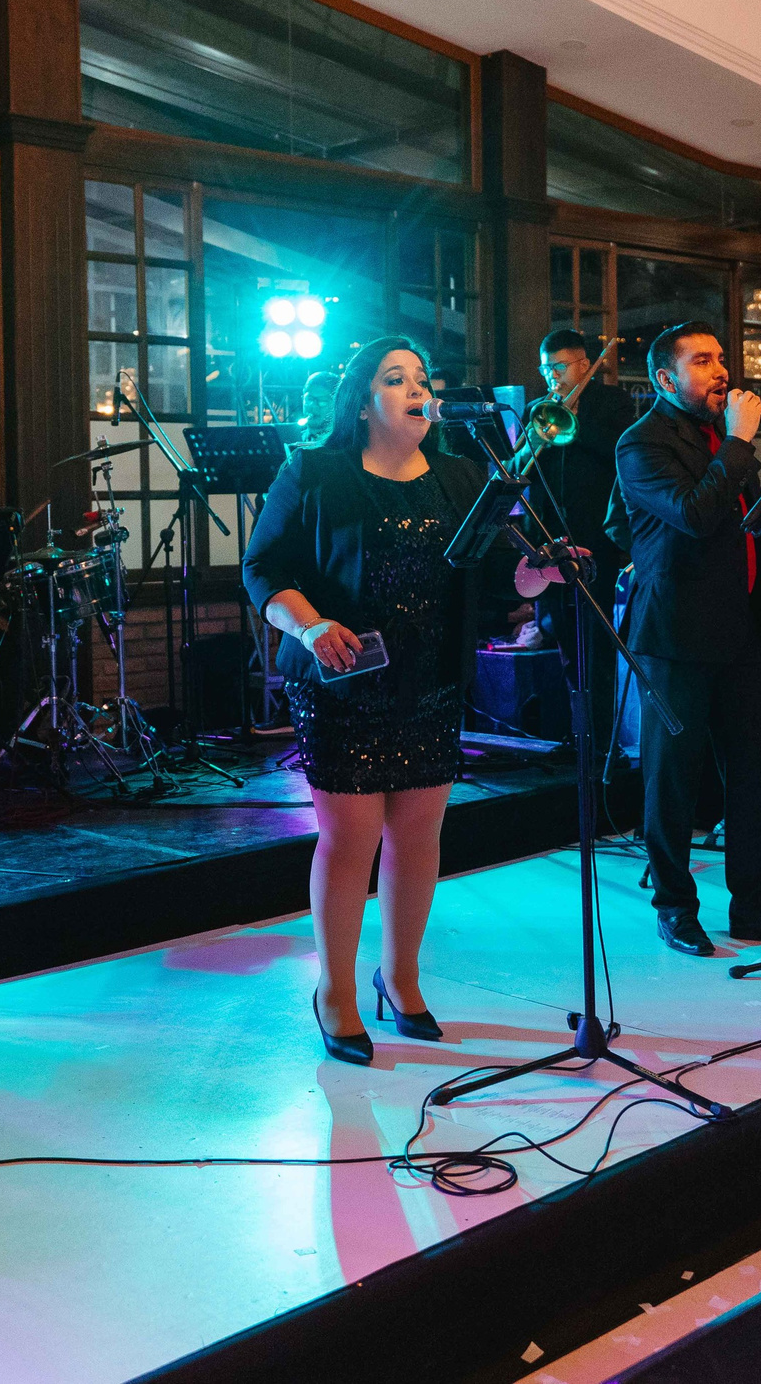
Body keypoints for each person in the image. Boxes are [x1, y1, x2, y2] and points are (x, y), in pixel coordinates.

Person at [243, 338, 537, 1063]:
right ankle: (335, 990)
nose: (417, 388)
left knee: (418, 834)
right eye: (395, 377)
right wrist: (310, 626)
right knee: (351, 838)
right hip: (342, 677)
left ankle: (400, 976)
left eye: (422, 378)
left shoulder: (463, 474)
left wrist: (542, 573)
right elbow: (263, 568)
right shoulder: (314, 471)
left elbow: (500, 575)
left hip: (429, 678)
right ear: (362, 401)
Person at [612, 322, 761, 958]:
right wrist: (737, 440)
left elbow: (742, 515)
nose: (721, 371)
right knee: (672, 780)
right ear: (665, 379)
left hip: (740, 628)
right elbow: (695, 513)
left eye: (722, 358)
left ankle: (756, 904)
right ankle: (675, 907)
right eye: (702, 361)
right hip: (675, 633)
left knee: (756, 773)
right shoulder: (641, 442)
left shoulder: (721, 436)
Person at [526, 328, 633, 727]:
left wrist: (572, 421)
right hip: (551, 543)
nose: (551, 375)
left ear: (584, 365)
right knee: (562, 642)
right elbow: (525, 470)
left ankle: (602, 740)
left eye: (559, 366)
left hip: (596, 542)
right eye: (545, 368)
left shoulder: (612, 401)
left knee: (596, 646)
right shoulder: (538, 409)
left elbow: (620, 451)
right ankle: (575, 736)